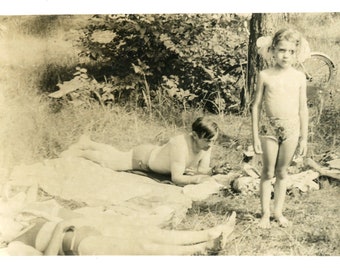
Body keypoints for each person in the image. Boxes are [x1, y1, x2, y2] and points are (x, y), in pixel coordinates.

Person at [4, 200, 236, 255]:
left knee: (151, 233)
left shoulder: (23, 223)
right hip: (80, 243)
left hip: (88, 229)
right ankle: (205, 246)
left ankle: (210, 232)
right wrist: (60, 228)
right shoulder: (15, 246)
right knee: (142, 246)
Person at [251, 28, 309, 228]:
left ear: (296, 53)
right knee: (267, 172)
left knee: (282, 172)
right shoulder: (265, 75)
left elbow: (303, 109)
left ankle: (278, 212)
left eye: (291, 51)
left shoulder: (299, 77)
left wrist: (304, 138)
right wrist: (255, 136)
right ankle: (265, 214)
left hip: (292, 128)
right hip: (270, 128)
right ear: (273, 50)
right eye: (282, 50)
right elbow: (256, 106)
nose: (286, 55)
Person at [60, 117, 219, 186]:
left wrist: (213, 171)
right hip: (143, 159)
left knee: (116, 153)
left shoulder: (207, 145)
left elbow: (202, 170)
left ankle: (88, 142)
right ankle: (81, 153)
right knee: (110, 162)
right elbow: (177, 178)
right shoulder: (180, 144)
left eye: (213, 140)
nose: (211, 144)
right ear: (195, 136)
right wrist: (197, 180)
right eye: (207, 140)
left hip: (151, 153)